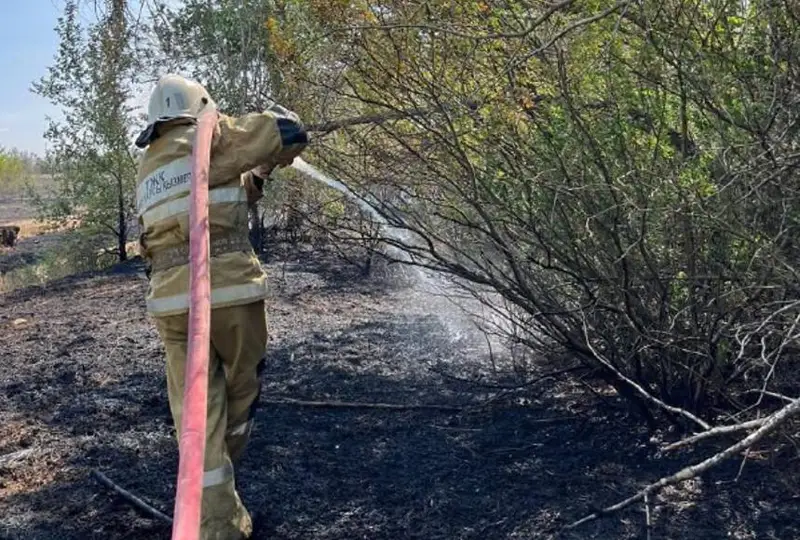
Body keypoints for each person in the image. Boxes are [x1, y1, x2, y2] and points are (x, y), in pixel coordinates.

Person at [134, 74, 308, 539]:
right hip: (227, 294)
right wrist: (284, 131)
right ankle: (220, 509)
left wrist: (261, 175)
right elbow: (287, 132)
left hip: (171, 306)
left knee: (195, 415)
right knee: (240, 392)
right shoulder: (210, 135)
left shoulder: (149, 164)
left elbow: (212, 194)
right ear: (201, 107)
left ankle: (217, 519)